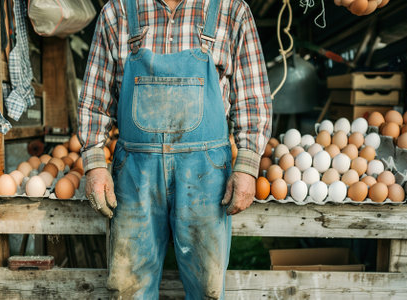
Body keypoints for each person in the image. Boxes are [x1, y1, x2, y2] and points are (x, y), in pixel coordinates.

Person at [78, 0, 272, 298]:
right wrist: (94, 163)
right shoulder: (117, 11)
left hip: (205, 175)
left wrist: (246, 166)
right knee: (129, 287)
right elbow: (94, 99)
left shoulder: (231, 10)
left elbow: (252, 97)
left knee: (207, 287)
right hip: (135, 172)